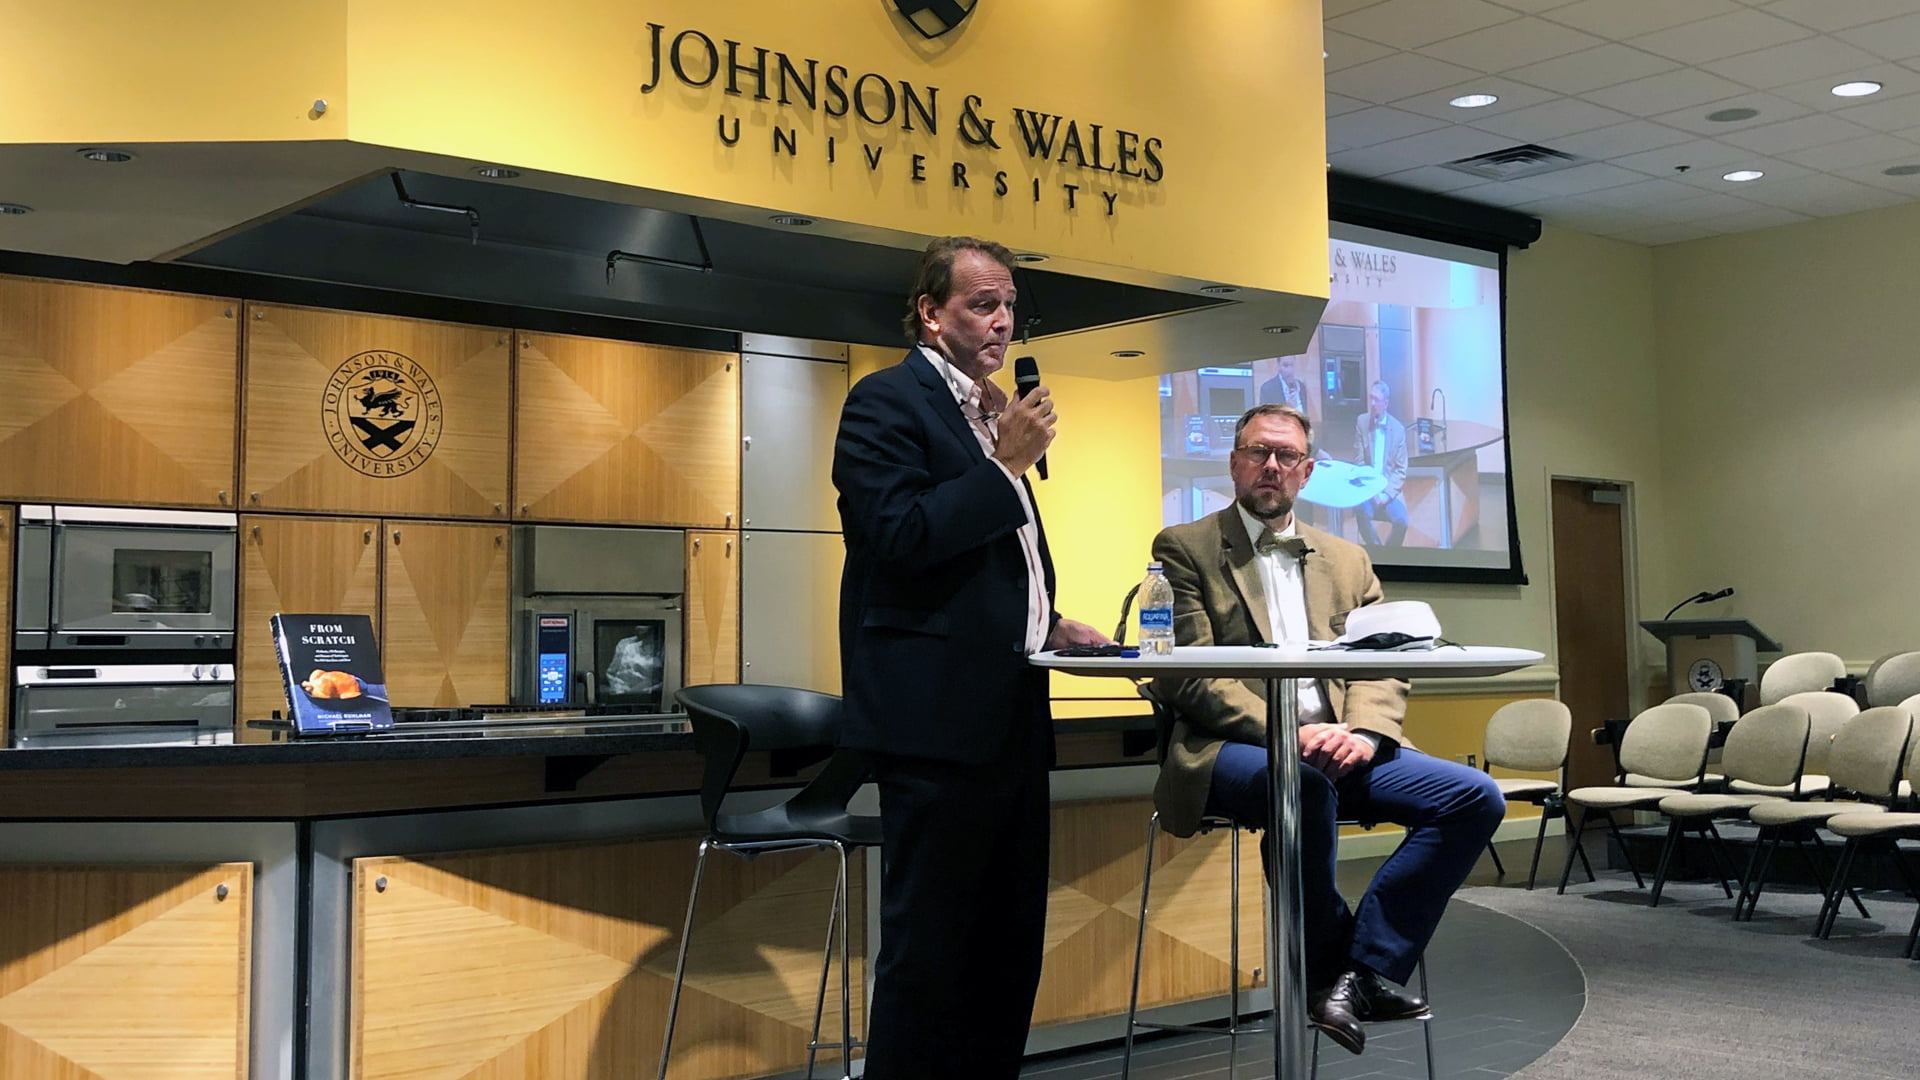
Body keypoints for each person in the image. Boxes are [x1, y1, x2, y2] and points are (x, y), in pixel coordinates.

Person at [833, 235, 1110, 1079]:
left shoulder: (991, 407)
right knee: (931, 955)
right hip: (935, 725)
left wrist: (1045, 619)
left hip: (1014, 713)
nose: (1001, 322)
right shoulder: (885, 401)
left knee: (1006, 946)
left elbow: (985, 562)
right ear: (930, 311)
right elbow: (900, 538)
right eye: (982, 304)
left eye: (1010, 307)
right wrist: (1007, 462)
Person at [1149, 403, 1504, 1056]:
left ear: (1308, 471)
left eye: (1286, 456)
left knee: (1473, 796)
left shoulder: (1347, 557)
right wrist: (1288, 737)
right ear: (1234, 461)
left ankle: (1362, 972)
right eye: (1258, 452)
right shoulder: (1184, 547)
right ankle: (1329, 975)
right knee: (1303, 788)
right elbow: (1190, 678)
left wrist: (1364, 735)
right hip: (1237, 747)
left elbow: (1386, 661)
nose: (1271, 466)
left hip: (1342, 744)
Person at [1349, 380, 1408, 547]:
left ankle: (1388, 554)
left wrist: (1386, 495)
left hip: (1389, 490)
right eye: (1371, 399)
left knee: (1402, 522)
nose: (1373, 404)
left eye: (1376, 400)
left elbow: (1400, 471)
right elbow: (1359, 461)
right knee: (1361, 512)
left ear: (1386, 403)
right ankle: (1377, 552)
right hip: (1369, 488)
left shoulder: (1398, 430)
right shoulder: (1362, 422)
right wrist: (1371, 490)